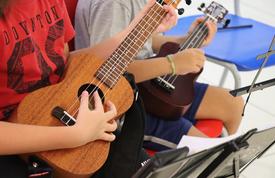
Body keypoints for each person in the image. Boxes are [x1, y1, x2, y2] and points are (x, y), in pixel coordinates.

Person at [0, 0, 177, 174]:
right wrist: (74, 136)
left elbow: (65, 63)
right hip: (15, 140)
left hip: (67, 112)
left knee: (154, 170)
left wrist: (135, 31)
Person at [75, 0, 244, 151]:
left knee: (234, 103)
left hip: (151, 82)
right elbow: (107, 70)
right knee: (209, 152)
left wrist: (186, 40)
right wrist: (171, 64)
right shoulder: (114, 5)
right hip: (121, 102)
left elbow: (146, 42)